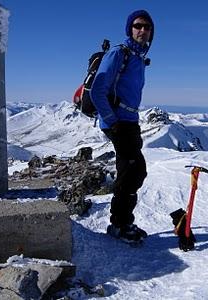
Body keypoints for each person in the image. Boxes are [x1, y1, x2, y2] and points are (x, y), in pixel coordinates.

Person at [90, 10, 154, 243]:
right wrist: (113, 121)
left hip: (129, 122)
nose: (143, 30)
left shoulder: (138, 57)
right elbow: (98, 90)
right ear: (130, 28)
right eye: (138, 26)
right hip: (118, 123)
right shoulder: (120, 53)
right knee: (132, 171)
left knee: (134, 171)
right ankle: (119, 224)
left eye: (147, 27)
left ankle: (122, 221)